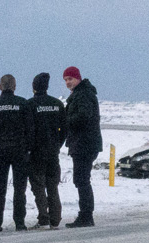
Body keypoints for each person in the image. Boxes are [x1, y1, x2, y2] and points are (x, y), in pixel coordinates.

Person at [0, 74, 32, 232]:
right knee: (20, 188)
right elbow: (30, 129)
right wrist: (27, 147)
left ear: (0, 86)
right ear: (14, 86)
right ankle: (19, 222)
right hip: (19, 150)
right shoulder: (23, 104)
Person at [62, 67, 101, 228]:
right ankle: (85, 214)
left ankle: (86, 215)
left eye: (70, 79)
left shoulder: (83, 94)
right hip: (82, 142)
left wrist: (65, 121)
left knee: (82, 179)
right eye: (65, 80)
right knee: (81, 179)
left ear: (77, 78)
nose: (68, 82)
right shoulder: (78, 94)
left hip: (85, 143)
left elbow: (83, 117)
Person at [27, 72, 65, 228]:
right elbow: (64, 129)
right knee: (52, 185)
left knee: (38, 186)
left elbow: (28, 129)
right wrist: (57, 143)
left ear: (34, 87)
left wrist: (29, 148)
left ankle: (44, 218)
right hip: (53, 151)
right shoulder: (57, 104)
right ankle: (55, 218)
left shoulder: (30, 105)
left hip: (36, 152)